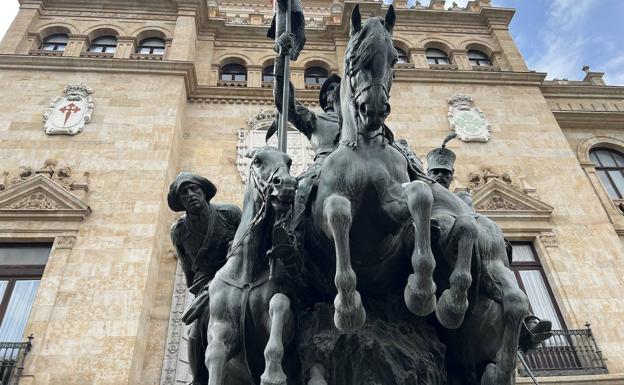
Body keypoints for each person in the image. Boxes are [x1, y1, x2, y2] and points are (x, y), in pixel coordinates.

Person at [426, 136, 553, 353]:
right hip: (432, 239)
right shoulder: (422, 188)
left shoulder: (462, 196)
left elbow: (473, 217)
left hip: (467, 245)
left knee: (496, 259)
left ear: (451, 176)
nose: (440, 176)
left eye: (445, 173)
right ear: (428, 173)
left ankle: (525, 321)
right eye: (436, 171)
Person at [167, 172, 242, 385]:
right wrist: (205, 290)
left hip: (237, 273)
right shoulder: (179, 231)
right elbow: (189, 272)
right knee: (195, 332)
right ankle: (200, 378)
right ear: (180, 202)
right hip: (207, 285)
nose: (190, 195)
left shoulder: (229, 213)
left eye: (194, 189)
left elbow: (249, 244)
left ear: (204, 192)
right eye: (184, 193)